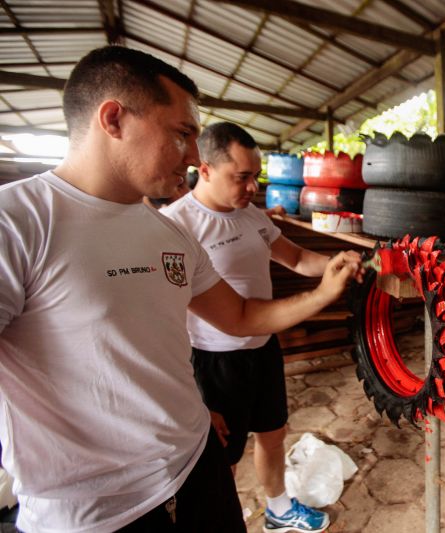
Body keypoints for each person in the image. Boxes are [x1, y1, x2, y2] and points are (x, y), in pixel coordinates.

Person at [0, 45, 361, 533]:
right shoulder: (19, 222)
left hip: (196, 471)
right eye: (182, 133)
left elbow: (238, 317)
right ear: (113, 119)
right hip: (95, 514)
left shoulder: (167, 232)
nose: (194, 156)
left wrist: (323, 293)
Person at [161, 122, 337, 533]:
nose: (252, 187)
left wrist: (337, 265)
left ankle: (278, 509)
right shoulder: (177, 226)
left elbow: (295, 258)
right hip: (211, 359)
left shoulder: (251, 215)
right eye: (241, 177)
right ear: (204, 170)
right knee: (224, 455)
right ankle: (223, 516)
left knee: (273, 433)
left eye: (255, 176)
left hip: (262, 346)